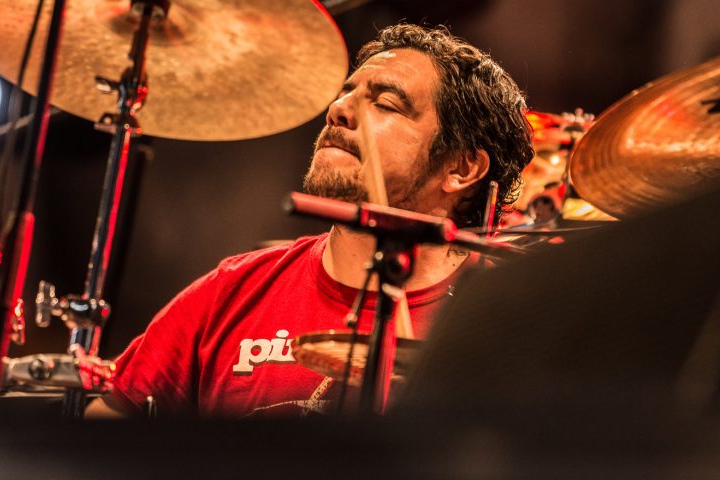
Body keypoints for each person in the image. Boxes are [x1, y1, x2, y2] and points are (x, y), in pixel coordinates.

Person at [86, 23, 534, 418]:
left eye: (385, 104)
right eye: (347, 93)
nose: (339, 109)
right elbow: (108, 423)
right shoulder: (234, 291)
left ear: (462, 169)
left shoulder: (509, 326)